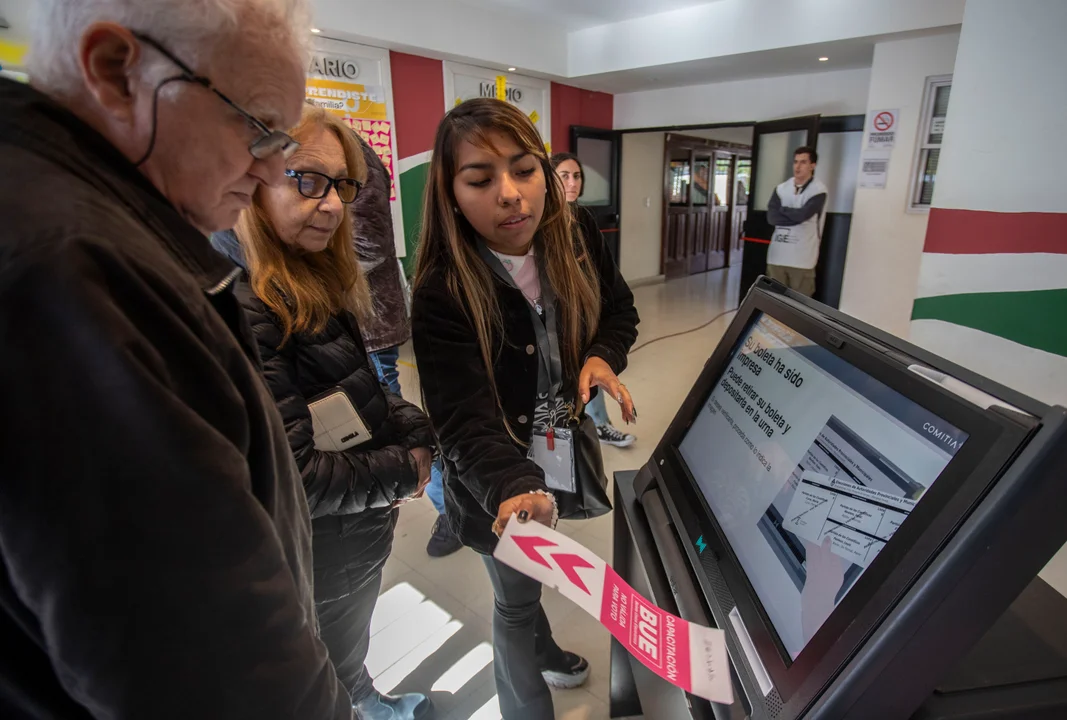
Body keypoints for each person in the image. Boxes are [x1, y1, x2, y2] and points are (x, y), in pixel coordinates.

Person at [0, 1, 356, 718]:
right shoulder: (70, 274)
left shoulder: (79, 223)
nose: (271, 170)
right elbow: (217, 673)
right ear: (116, 72)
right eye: (257, 126)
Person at [411, 99, 640, 720]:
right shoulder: (443, 288)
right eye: (481, 179)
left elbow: (619, 310)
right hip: (495, 476)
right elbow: (462, 418)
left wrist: (602, 355)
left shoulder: (576, 234)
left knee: (529, 580)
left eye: (523, 170)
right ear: (451, 194)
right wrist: (513, 485)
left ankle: (543, 647)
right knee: (514, 600)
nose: (510, 194)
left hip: (556, 445)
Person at [212, 104, 436, 720]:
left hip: (350, 541)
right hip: (322, 555)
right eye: (308, 180)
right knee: (326, 667)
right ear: (255, 179)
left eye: (343, 184)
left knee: (346, 650)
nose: (334, 204)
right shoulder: (249, 307)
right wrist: (406, 468)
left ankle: (364, 697)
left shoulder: (305, 277)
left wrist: (413, 426)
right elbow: (297, 475)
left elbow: (352, 390)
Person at [350, 130, 462, 558]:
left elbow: (370, 243)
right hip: (347, 328)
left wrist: (306, 272)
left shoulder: (351, 154)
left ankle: (449, 510)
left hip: (367, 328)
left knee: (398, 427)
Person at [552, 152, 636, 448]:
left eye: (577, 176)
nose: (572, 182)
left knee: (589, 377)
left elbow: (620, 305)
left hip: (587, 334)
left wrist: (603, 354)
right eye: (565, 176)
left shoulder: (583, 222)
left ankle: (600, 425)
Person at [766, 146, 828, 298]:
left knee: (800, 303)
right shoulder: (781, 189)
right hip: (777, 256)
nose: (798, 166)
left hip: (802, 258)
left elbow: (802, 215)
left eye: (803, 162)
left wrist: (783, 210)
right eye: (795, 162)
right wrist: (793, 214)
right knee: (773, 300)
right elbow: (772, 218)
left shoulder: (818, 190)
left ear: (812, 165)